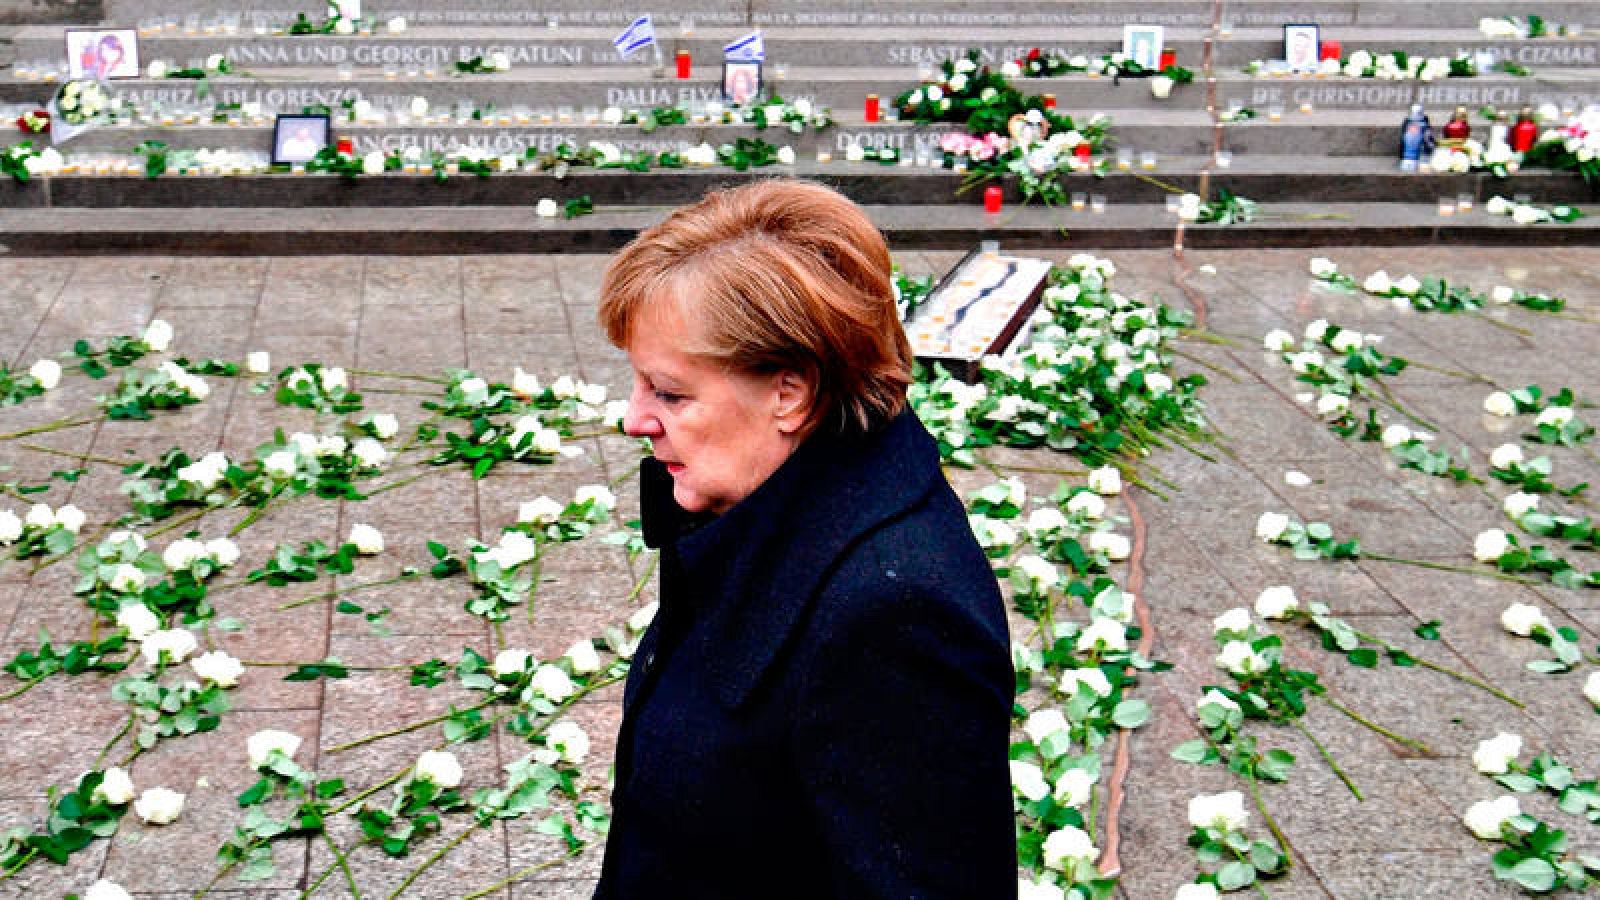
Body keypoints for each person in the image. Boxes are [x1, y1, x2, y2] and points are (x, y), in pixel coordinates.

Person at [593, 179, 1017, 899]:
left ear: (788, 393)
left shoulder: (891, 613)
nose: (634, 418)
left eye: (669, 391)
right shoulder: (763, 504)